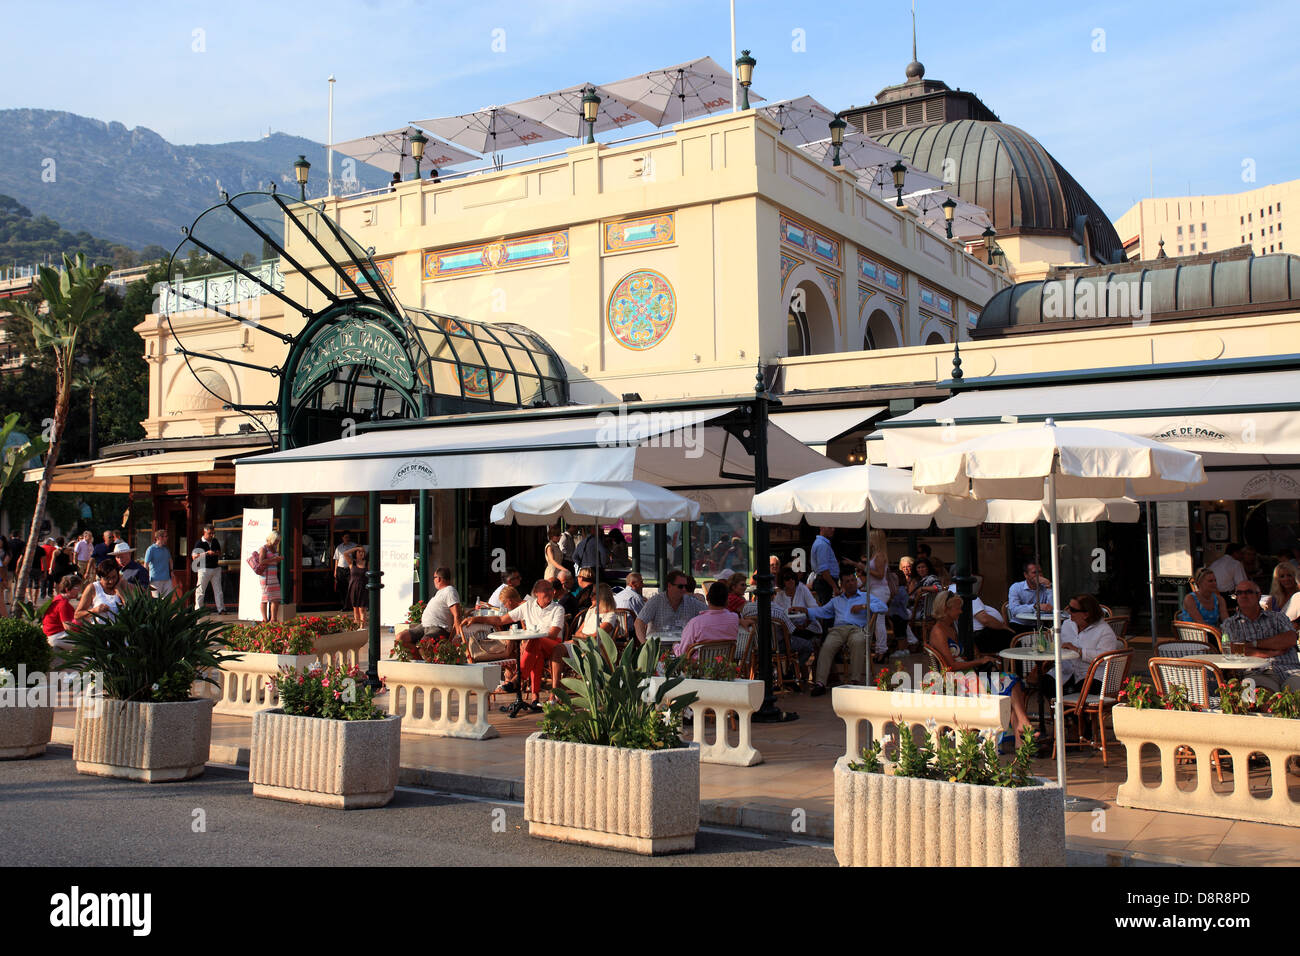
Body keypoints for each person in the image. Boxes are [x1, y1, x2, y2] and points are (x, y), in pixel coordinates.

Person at [927, 590, 1032, 738]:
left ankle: (1021, 727)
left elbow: (959, 657)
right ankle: (1022, 726)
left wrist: (978, 658)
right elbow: (950, 667)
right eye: (957, 608)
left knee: (1012, 680)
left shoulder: (952, 627)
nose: (960, 611)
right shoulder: (938, 631)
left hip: (968, 675)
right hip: (958, 681)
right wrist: (980, 661)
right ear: (946, 609)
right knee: (1010, 683)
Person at [464, 578, 565, 711]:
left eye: (551, 589)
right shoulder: (528, 606)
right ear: (536, 593)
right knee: (536, 651)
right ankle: (535, 699)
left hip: (552, 644)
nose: (550, 592)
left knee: (534, 641)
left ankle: (517, 678)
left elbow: (553, 634)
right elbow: (500, 620)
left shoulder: (558, 609)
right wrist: (476, 618)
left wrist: (532, 636)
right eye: (546, 589)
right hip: (535, 646)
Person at [806, 573, 887, 696]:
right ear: (842, 585)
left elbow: (883, 607)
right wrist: (805, 610)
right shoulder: (836, 600)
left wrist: (863, 606)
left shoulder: (865, 596)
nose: (851, 583)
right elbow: (822, 611)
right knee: (827, 646)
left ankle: (854, 681)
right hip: (838, 630)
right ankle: (820, 683)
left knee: (858, 641)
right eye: (847, 581)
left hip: (857, 629)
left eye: (853, 580)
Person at [1219, 582, 1300, 692]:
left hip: (1291, 671)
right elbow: (1235, 650)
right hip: (1257, 672)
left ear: (1258, 595)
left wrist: (1253, 644)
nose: (1243, 595)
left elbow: (1290, 639)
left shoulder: (1278, 618)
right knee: (1262, 699)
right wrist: (1273, 651)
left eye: (1248, 592)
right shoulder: (1231, 624)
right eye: (1239, 593)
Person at [1056, 594, 1123, 694]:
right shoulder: (1067, 624)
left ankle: (1070, 709)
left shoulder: (1104, 631)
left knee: (1075, 692)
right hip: (1068, 672)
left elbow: (1106, 658)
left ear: (1086, 614)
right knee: (1046, 682)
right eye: (1069, 608)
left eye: (1073, 610)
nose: (1069, 612)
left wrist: (1079, 651)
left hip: (1093, 676)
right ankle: (1058, 708)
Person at [395, 567, 462, 657]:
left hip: (439, 628)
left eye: (434, 578)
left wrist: (457, 636)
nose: (433, 580)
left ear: (438, 578)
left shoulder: (450, 591)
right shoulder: (440, 592)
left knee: (423, 645)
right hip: (424, 626)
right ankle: (420, 661)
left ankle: (427, 664)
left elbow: (457, 615)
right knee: (400, 638)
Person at [634, 568, 706, 643]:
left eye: (686, 586)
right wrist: (645, 645)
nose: (684, 589)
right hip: (659, 648)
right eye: (680, 586)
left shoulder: (691, 602)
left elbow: (709, 615)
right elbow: (639, 623)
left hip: (683, 649)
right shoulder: (656, 601)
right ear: (669, 586)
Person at [674, 581, 739, 659]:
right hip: (724, 668)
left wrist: (675, 646)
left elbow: (682, 653)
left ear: (707, 598)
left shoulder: (696, 623)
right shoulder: (734, 619)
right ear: (727, 601)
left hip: (698, 669)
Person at [1007, 561, 1054, 633]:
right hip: (1019, 625)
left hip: (1039, 625)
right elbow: (1014, 610)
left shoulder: (1046, 587)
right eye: (1034, 573)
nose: (1039, 575)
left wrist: (1048, 586)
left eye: (1040, 572)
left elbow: (1052, 608)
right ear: (1026, 575)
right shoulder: (1016, 587)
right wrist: (1035, 606)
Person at [75, 559, 125, 624]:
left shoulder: (121, 585)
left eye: (114, 577)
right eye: (107, 578)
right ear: (100, 577)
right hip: (100, 631)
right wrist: (95, 610)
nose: (111, 581)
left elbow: (131, 609)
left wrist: (121, 594)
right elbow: (77, 615)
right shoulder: (93, 588)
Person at [192, 524, 225, 614]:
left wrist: (214, 553)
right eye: (210, 533)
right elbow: (194, 556)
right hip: (204, 568)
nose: (212, 535)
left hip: (215, 568)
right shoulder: (199, 542)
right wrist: (206, 553)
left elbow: (219, 552)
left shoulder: (215, 541)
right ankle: (198, 610)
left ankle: (221, 609)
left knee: (218, 590)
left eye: (213, 533)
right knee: (201, 590)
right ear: (205, 532)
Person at [43, 574, 81, 649]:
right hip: (56, 636)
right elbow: (68, 627)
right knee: (87, 644)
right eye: (76, 587)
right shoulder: (63, 604)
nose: (79, 590)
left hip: (52, 634)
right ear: (67, 589)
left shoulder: (58, 598)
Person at [810, 526, 842, 606]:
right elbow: (824, 570)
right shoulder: (822, 545)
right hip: (826, 583)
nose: (833, 529)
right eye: (830, 527)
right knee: (828, 613)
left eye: (833, 527)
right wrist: (834, 586)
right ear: (822, 527)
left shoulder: (822, 543)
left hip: (826, 582)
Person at [257, 532, 284, 623]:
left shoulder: (274, 548)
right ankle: (264, 619)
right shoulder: (264, 548)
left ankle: (273, 619)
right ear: (272, 539)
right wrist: (274, 559)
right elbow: (261, 561)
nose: (277, 542)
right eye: (276, 540)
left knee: (275, 598)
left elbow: (273, 561)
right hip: (266, 576)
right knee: (265, 598)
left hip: (273, 575)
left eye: (278, 541)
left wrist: (278, 560)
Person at [334, 533, 360, 606]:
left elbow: (358, 556)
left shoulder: (354, 546)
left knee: (351, 587)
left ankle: (352, 604)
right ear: (342, 538)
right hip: (340, 569)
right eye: (345, 537)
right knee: (341, 587)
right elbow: (336, 559)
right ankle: (344, 605)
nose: (347, 538)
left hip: (350, 569)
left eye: (348, 537)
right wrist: (335, 571)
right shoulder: (339, 547)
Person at [347, 547, 368, 627]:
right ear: (355, 553)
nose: (361, 553)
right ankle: (357, 626)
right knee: (355, 608)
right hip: (353, 587)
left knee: (362, 609)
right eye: (359, 552)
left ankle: (362, 627)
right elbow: (345, 553)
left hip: (363, 587)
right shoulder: (352, 562)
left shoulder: (367, 563)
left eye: (363, 552)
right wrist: (356, 548)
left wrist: (359, 549)